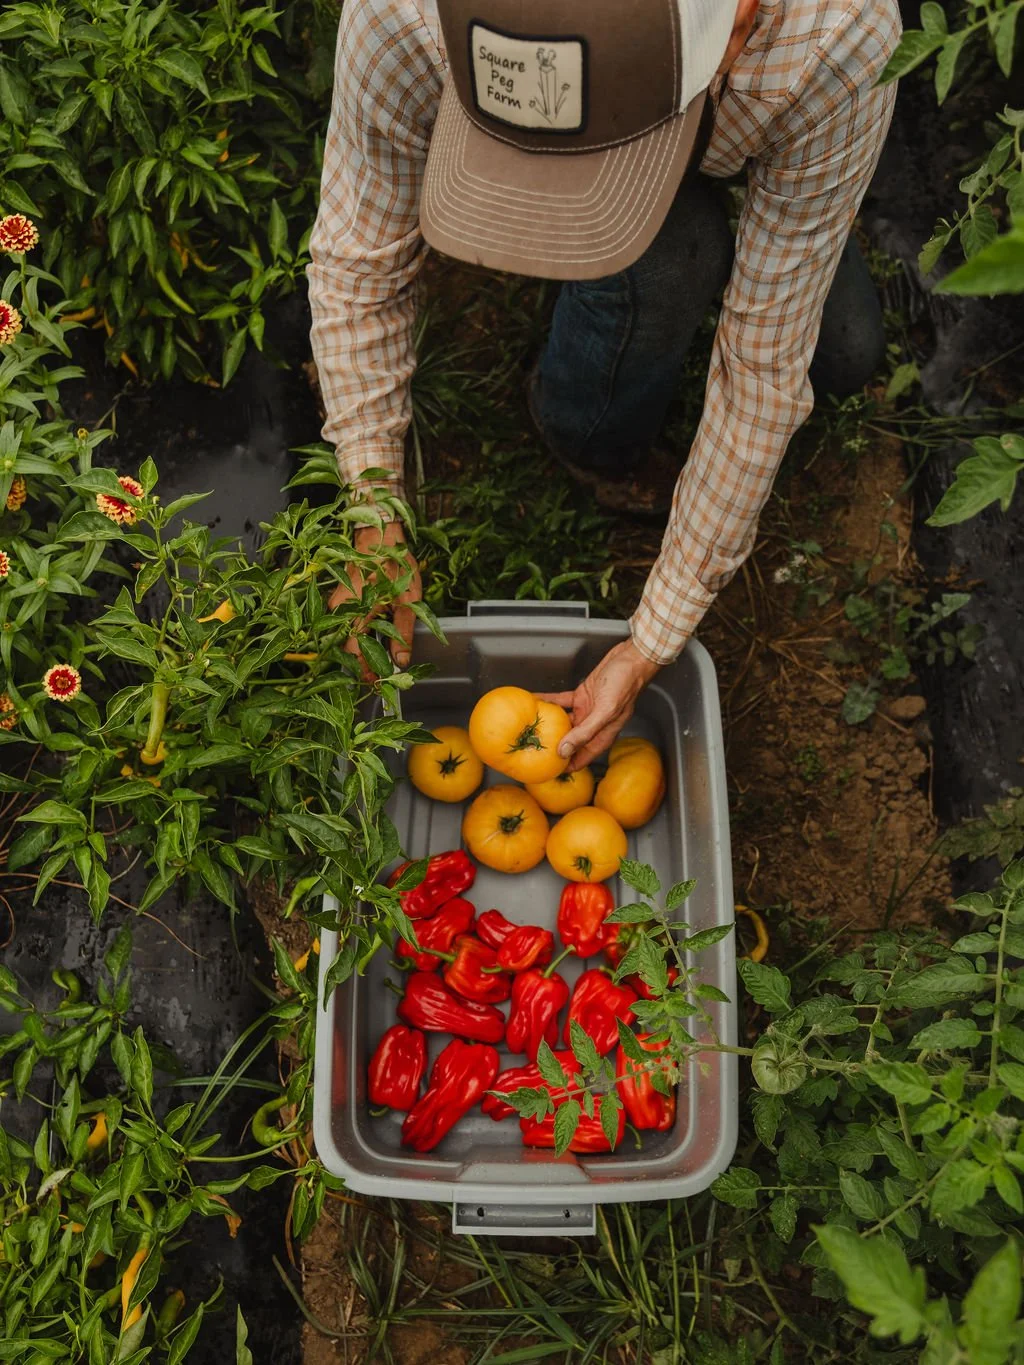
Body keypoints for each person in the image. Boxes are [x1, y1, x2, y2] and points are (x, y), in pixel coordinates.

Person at [307, 0, 901, 769]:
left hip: (763, 121)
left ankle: (742, 203)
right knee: (669, 255)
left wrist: (654, 638)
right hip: (668, 170)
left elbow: (761, 367)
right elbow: (359, 264)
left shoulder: (838, 36)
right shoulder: (401, 12)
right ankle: (598, 410)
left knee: (845, 351)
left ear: (741, 26)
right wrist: (374, 505)